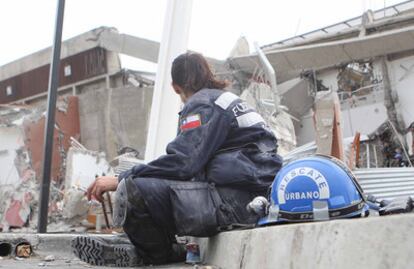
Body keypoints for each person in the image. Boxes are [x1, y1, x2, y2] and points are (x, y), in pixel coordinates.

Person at [72, 52, 283, 267]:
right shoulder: (225, 101)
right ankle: (146, 246)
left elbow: (183, 163)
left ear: (175, 87)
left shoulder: (203, 104)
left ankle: (157, 254)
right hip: (251, 201)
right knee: (155, 186)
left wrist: (120, 178)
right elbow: (192, 166)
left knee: (134, 189)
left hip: (233, 205)